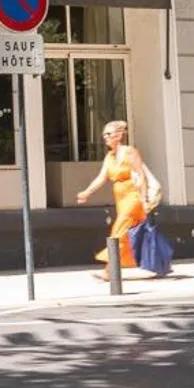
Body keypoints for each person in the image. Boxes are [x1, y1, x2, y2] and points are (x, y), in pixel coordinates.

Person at [75, 119, 161, 280]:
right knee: (132, 234)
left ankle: (109, 270)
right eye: (104, 134)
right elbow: (101, 178)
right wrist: (86, 193)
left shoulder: (130, 152)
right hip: (121, 199)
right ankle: (155, 262)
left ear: (119, 135)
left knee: (118, 230)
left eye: (109, 134)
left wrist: (143, 200)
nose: (105, 137)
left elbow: (140, 176)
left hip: (133, 197)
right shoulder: (109, 157)